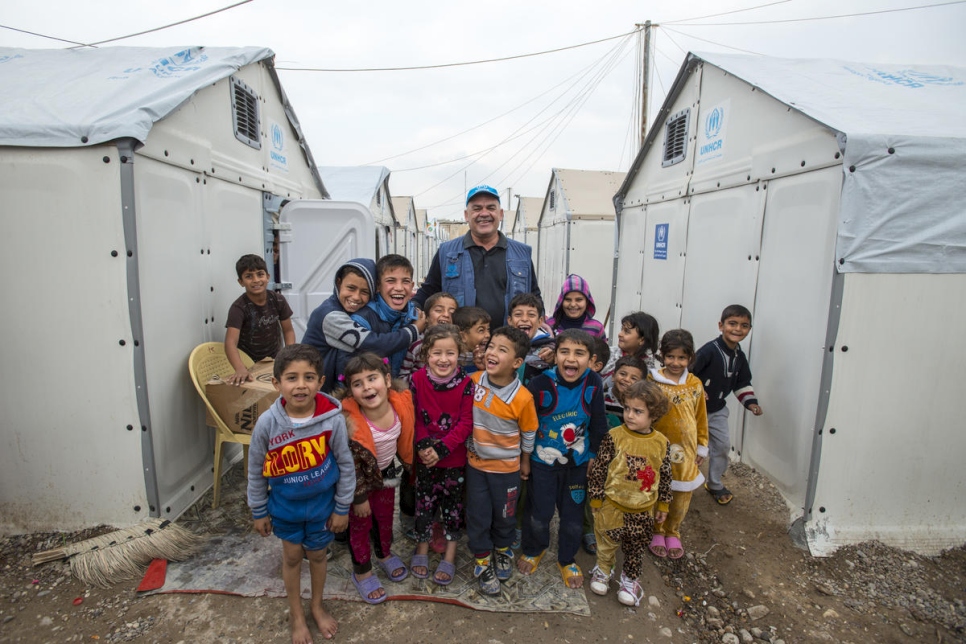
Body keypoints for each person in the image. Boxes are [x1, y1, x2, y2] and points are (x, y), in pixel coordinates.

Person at [247, 344, 355, 643]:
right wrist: (258, 510)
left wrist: (342, 507)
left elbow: (345, 464)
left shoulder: (332, 419)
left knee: (318, 555)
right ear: (276, 383)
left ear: (320, 382)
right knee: (292, 557)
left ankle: (317, 606)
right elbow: (256, 469)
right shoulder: (267, 424)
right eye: (291, 378)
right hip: (285, 509)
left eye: (309, 377)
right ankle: (297, 615)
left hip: (323, 508)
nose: (300, 385)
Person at [519, 329, 606, 590]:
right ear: (555, 355)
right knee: (539, 512)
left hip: (577, 466)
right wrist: (524, 459)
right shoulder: (540, 384)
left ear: (591, 360)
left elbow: (599, 424)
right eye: (565, 352)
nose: (571, 359)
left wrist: (593, 456)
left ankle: (567, 559)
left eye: (579, 353)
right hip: (542, 464)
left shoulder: (593, 384)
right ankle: (535, 548)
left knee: (572, 516)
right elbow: (526, 426)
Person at [465, 326, 538, 595]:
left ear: (517, 363)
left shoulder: (522, 398)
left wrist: (525, 460)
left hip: (507, 470)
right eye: (491, 346)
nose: (492, 353)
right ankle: (482, 560)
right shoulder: (471, 382)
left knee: (506, 514)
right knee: (478, 514)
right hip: (475, 467)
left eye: (502, 350)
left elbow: (528, 432)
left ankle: (503, 549)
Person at [587, 380, 672, 607]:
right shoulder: (614, 436)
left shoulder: (661, 443)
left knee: (635, 548)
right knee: (606, 542)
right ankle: (604, 571)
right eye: (627, 409)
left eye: (638, 411)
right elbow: (600, 470)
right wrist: (595, 497)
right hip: (612, 505)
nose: (630, 415)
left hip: (643, 510)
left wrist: (663, 505)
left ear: (653, 414)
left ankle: (630, 580)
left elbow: (665, 476)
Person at [340, 353, 415, 604]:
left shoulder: (400, 404)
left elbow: (406, 438)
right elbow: (348, 467)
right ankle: (362, 571)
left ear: (388, 380)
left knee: (384, 518)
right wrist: (359, 498)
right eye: (358, 383)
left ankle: (383, 554)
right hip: (356, 485)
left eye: (372, 379)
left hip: (385, 477)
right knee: (360, 525)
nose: (367, 387)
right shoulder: (349, 421)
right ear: (351, 392)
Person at [414, 185, 540, 329]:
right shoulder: (447, 252)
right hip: (461, 343)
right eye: (477, 208)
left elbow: (534, 295)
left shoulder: (521, 253)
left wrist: (545, 326)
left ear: (501, 214)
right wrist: (412, 308)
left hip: (509, 344)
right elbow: (429, 290)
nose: (484, 213)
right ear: (466, 215)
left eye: (491, 208)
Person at [408, 325, 476, 586]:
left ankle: (450, 552)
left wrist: (442, 449)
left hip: (454, 459)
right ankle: (422, 548)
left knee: (453, 507)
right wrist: (426, 447)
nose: (444, 359)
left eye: (451, 353)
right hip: (424, 456)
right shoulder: (416, 381)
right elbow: (414, 416)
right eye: (437, 353)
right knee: (424, 504)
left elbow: (466, 422)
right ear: (427, 354)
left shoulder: (467, 384)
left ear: (460, 355)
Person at [301, 258, 422, 392]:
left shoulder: (349, 310)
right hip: (313, 388)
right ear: (338, 282)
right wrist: (414, 329)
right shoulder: (331, 316)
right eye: (351, 288)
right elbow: (374, 344)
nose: (356, 297)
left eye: (364, 292)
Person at [691, 305, 763, 506]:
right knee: (688, 447)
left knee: (722, 446)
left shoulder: (740, 357)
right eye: (732, 324)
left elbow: (742, 382)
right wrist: (696, 389)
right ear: (721, 325)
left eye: (744, 325)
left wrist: (751, 403)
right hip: (694, 411)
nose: (738, 329)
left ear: (749, 329)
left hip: (717, 411)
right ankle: (679, 483)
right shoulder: (708, 351)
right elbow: (689, 373)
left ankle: (714, 483)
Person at [647, 329, 709, 560]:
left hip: (686, 451)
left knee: (681, 492)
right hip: (656, 447)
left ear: (690, 358)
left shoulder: (694, 385)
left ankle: (673, 531)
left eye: (681, 358)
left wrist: (702, 445)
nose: (675, 362)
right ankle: (656, 530)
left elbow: (701, 417)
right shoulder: (652, 381)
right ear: (662, 355)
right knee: (655, 487)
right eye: (670, 356)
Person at [350, 254, 427, 377]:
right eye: (391, 281)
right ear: (378, 286)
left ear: (412, 286)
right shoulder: (362, 320)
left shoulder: (416, 317)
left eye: (405, 281)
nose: (399, 288)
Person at [225, 254, 295, 385]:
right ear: (240, 282)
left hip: (274, 361)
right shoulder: (238, 308)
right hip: (248, 364)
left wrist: (288, 356)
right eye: (249, 276)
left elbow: (288, 331)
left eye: (260, 274)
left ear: (268, 277)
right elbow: (230, 343)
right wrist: (240, 368)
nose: (256, 280)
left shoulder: (278, 300)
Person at [398, 292, 459, 384]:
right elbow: (401, 378)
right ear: (426, 317)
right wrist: (426, 379)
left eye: (452, 312)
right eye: (439, 310)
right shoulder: (416, 345)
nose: (446, 314)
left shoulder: (458, 343)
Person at [506, 292, 556, 384]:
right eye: (518, 314)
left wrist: (553, 360)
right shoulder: (501, 344)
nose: (524, 319)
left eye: (531, 315)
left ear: (540, 321)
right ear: (510, 320)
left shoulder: (550, 347)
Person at [546, 274, 607, 340]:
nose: (573, 304)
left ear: (587, 302)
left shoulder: (596, 328)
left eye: (579, 300)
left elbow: (603, 350)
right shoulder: (549, 324)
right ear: (561, 301)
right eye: (568, 299)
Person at [604, 355, 647, 428]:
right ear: (613, 376)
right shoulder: (599, 397)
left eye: (633, 378)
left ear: (641, 384)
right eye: (623, 374)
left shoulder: (641, 405)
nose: (626, 379)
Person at [452, 306, 491, 374]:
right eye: (481, 330)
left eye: (488, 329)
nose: (488, 335)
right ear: (462, 336)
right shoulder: (451, 363)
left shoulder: (488, 361)